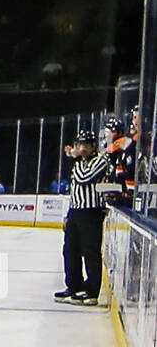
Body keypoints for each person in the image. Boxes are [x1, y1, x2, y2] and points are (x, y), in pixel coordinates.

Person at [53, 129, 109, 305]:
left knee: (91, 252)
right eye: (79, 145)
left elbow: (84, 178)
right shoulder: (78, 163)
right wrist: (68, 215)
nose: (82, 149)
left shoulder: (101, 161)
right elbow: (75, 191)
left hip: (91, 212)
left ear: (93, 147)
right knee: (70, 250)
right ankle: (74, 286)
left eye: (85, 145)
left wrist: (75, 157)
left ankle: (92, 292)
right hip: (76, 212)